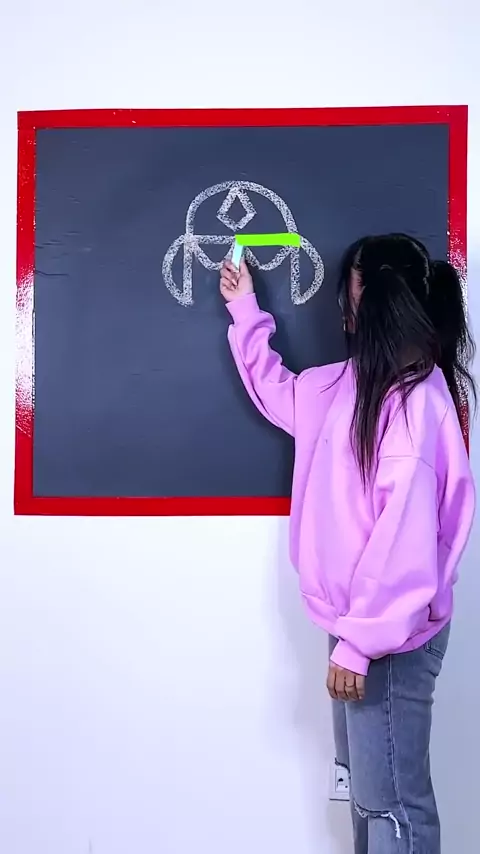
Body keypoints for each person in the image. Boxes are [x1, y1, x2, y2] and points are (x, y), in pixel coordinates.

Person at [219, 233, 476, 854]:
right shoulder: (339, 386)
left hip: (388, 637)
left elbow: (404, 546)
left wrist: (359, 646)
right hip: (357, 631)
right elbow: (278, 391)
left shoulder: (415, 405)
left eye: (348, 292)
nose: (341, 306)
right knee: (368, 796)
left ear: (368, 303)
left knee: (392, 804)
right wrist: (245, 309)